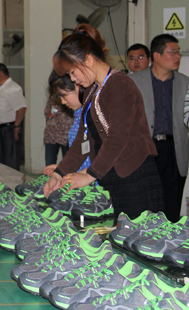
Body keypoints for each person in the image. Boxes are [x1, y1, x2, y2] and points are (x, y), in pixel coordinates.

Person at [43, 31, 164, 220]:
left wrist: (89, 175)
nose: (73, 79)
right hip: (113, 176)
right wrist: (59, 174)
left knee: (138, 233)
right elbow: (82, 140)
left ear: (88, 60)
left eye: (73, 72)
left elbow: (117, 138)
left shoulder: (119, 84)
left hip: (134, 177)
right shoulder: (92, 91)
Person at [129, 34, 189, 222]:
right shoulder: (133, 82)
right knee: (145, 203)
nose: (178, 57)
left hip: (174, 149)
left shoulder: (186, 83)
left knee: (172, 203)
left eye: (179, 52)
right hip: (145, 148)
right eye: (173, 52)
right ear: (157, 56)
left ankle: (170, 236)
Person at [44, 71, 90, 176]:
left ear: (78, 86)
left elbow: (101, 160)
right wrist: (64, 168)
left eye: (64, 95)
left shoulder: (93, 114)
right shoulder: (78, 114)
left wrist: (84, 175)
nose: (63, 102)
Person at [0, 63, 26, 170]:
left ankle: (12, 181)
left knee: (10, 161)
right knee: (0, 162)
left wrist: (16, 126)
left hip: (8, 130)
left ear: (0, 74)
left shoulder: (13, 88)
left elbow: (21, 108)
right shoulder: (1, 88)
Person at [43, 96, 72, 166]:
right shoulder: (52, 99)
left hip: (66, 135)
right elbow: (47, 113)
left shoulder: (71, 100)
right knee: (49, 162)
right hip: (51, 135)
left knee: (68, 162)